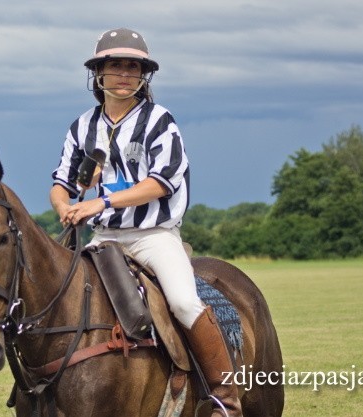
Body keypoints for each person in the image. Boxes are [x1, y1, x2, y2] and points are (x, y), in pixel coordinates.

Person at [49, 28, 242, 417]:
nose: (124, 74)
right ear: (98, 74)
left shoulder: (159, 121)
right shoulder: (82, 127)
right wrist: (65, 206)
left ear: (144, 76)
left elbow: (161, 182)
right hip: (103, 237)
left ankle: (226, 396)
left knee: (185, 302)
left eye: (133, 67)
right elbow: (60, 183)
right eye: (115, 66)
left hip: (153, 235)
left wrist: (99, 201)